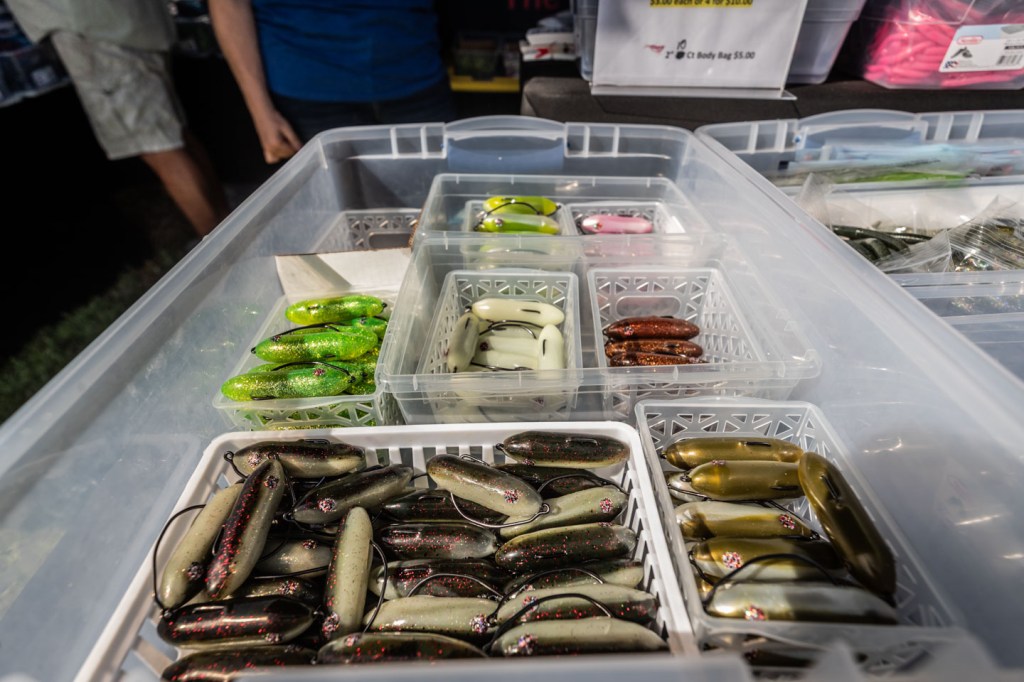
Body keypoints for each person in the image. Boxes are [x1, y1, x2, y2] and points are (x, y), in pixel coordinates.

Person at [4, 0, 230, 238]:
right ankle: (230, 228)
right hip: (126, 19)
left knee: (158, 147)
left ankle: (224, 248)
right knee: (174, 135)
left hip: (91, 29)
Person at [208, 0, 457, 165]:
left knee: (441, 200)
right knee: (329, 209)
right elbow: (228, 4)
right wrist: (261, 112)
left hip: (414, 68)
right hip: (305, 82)